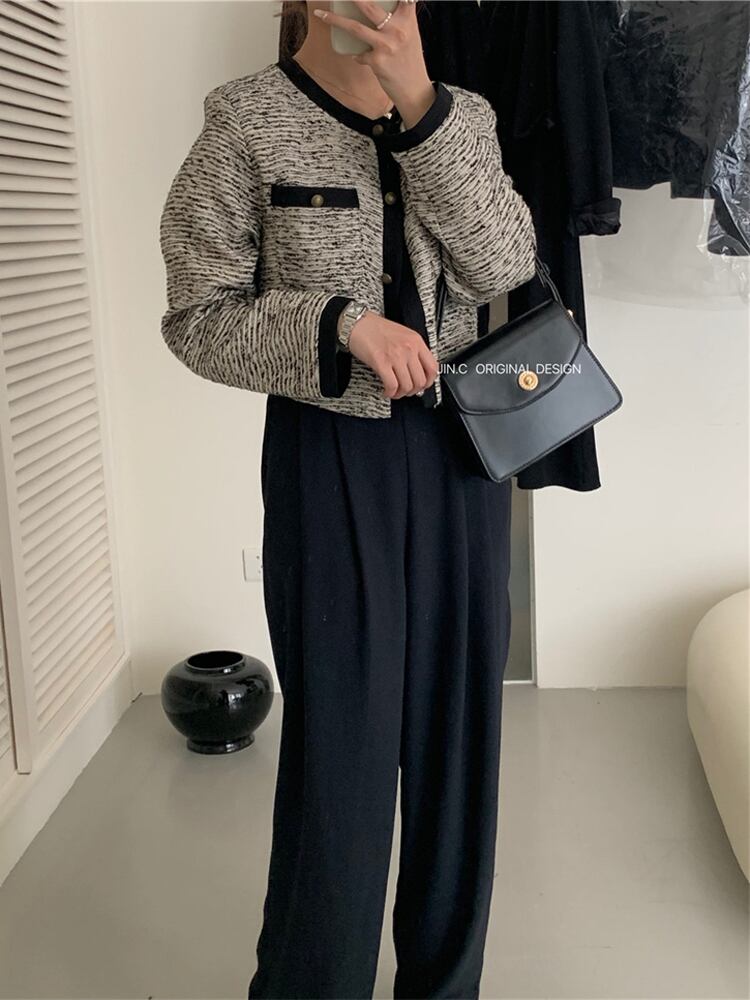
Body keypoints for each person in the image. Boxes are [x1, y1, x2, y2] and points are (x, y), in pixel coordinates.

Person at [158, 2, 538, 996]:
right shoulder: (246, 118)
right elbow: (198, 315)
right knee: (341, 746)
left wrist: (421, 106)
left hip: (464, 455)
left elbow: (504, 262)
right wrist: (339, 326)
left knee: (459, 744)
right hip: (327, 455)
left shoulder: (463, 114)